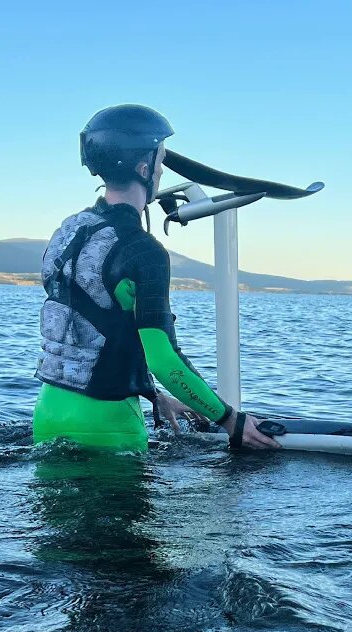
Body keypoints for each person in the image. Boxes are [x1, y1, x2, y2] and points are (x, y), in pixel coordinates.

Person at [31, 103, 280, 453]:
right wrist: (231, 421)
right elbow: (163, 360)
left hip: (47, 415)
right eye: (160, 163)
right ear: (145, 168)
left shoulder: (69, 231)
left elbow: (95, 329)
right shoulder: (143, 250)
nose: (161, 172)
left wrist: (151, 394)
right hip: (108, 429)